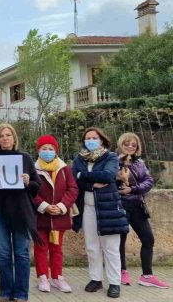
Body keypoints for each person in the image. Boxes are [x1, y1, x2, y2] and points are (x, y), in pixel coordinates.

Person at [0, 123, 40, 302]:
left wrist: (29, 182)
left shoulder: (25, 158)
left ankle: (21, 294)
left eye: (8, 135)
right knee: (4, 254)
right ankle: (6, 293)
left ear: (14, 138)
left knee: (21, 253)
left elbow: (37, 186)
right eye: (2, 136)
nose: (5, 138)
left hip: (21, 210)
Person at [72, 127, 128, 299]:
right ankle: (96, 279)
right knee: (91, 247)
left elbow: (108, 176)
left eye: (94, 137)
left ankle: (114, 283)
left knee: (110, 247)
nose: (90, 140)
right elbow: (74, 179)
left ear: (101, 140)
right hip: (87, 207)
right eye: (87, 138)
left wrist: (83, 175)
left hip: (108, 207)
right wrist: (90, 184)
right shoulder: (79, 159)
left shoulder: (110, 157)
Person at [116, 132, 168, 288]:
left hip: (137, 206)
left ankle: (147, 276)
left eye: (134, 144)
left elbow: (149, 181)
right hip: (121, 206)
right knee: (120, 241)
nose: (130, 147)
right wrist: (122, 182)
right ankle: (120, 272)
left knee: (148, 239)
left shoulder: (139, 163)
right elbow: (111, 180)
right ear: (120, 144)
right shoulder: (113, 161)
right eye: (127, 144)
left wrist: (132, 188)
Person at [32, 134, 78, 293]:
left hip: (59, 217)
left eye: (51, 149)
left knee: (56, 249)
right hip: (40, 217)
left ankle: (57, 277)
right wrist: (43, 206)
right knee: (40, 248)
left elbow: (72, 189)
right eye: (44, 148)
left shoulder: (64, 169)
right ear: (38, 150)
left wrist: (61, 206)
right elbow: (30, 191)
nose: (47, 151)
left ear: (56, 151)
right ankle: (43, 277)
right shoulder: (33, 168)